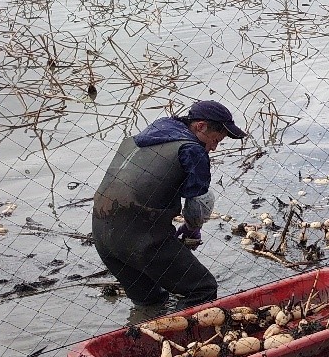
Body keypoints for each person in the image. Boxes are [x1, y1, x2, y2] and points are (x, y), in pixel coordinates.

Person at [92, 100, 246, 308]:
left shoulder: (159, 128)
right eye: (215, 140)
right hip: (142, 238)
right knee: (203, 289)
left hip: (102, 235)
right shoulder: (193, 150)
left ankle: (146, 325)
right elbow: (200, 200)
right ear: (200, 126)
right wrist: (192, 229)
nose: (213, 148)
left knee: (150, 301)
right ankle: (187, 328)